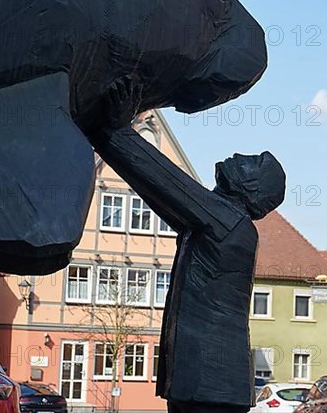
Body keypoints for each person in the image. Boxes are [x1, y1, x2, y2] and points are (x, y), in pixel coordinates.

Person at [90, 78, 286, 413]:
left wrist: (115, 129)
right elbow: (156, 189)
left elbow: (164, 179)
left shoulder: (229, 221)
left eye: (249, 162)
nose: (238, 155)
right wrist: (107, 133)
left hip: (211, 385)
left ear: (250, 187)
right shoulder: (217, 221)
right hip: (200, 384)